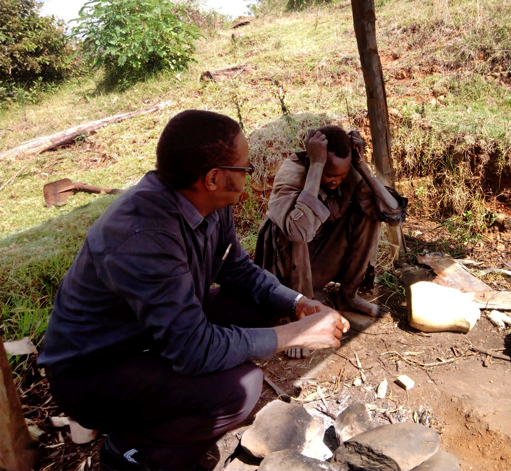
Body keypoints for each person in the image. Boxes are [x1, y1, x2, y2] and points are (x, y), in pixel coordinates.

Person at [37, 110, 350, 471]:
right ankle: (132, 451)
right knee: (240, 389)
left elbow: (239, 272)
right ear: (214, 177)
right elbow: (190, 349)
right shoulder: (144, 235)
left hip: (150, 335)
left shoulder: (211, 204)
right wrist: (294, 335)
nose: (250, 176)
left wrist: (297, 303)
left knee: (259, 303)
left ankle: (168, 398)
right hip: (94, 374)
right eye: (245, 169)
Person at [255, 125, 407, 319]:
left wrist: (362, 167)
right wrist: (317, 168)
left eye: (342, 176)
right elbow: (298, 232)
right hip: (287, 275)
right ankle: (301, 313)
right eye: (330, 175)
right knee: (298, 227)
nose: (337, 182)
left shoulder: (349, 173)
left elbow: (393, 214)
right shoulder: (292, 172)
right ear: (313, 161)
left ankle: (348, 296)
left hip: (322, 262)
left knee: (369, 212)